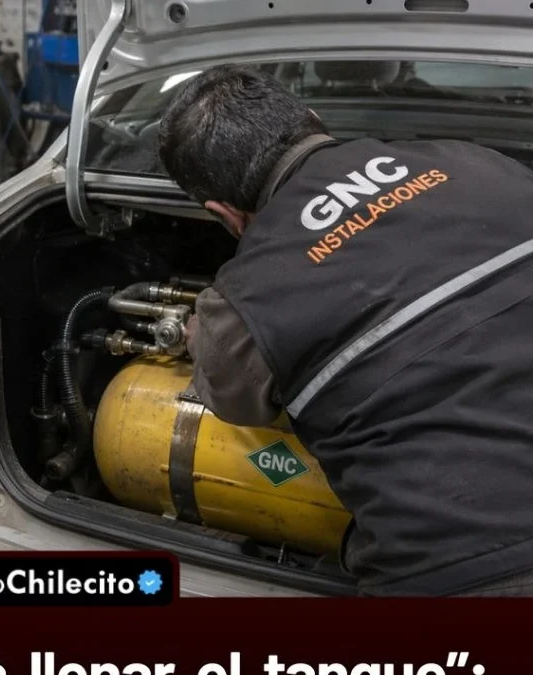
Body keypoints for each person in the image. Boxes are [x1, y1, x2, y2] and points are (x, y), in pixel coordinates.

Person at [158, 63, 533, 597]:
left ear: (225, 215)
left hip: (462, 571)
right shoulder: (481, 162)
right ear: (313, 119)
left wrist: (201, 335)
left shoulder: (244, 300)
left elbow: (232, 400)